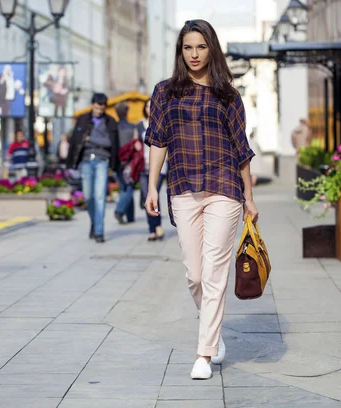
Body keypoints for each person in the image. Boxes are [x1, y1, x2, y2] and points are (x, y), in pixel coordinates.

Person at [144, 19, 258, 380]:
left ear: (212, 49)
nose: (194, 54)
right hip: (182, 188)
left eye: (201, 47)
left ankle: (204, 354)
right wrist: (150, 187)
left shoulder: (228, 95)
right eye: (187, 47)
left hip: (224, 187)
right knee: (194, 274)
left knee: (213, 274)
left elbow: (242, 150)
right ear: (181, 51)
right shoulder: (165, 92)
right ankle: (215, 330)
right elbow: (158, 141)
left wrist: (249, 198)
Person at [66, 93, 119, 242]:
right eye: (96, 108)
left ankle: (99, 232)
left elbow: (109, 143)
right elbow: (76, 140)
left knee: (100, 196)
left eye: (101, 108)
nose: (99, 111)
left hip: (102, 161)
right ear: (92, 105)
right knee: (89, 196)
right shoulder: (83, 119)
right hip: (86, 161)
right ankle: (94, 222)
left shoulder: (110, 122)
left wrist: (90, 139)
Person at [137, 98, 168, 241]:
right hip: (143, 166)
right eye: (147, 106)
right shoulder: (139, 125)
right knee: (146, 196)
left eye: (152, 106)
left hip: (159, 166)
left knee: (153, 192)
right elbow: (135, 143)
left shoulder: (162, 123)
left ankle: (158, 226)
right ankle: (152, 229)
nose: (149, 109)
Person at [114, 102, 138, 224]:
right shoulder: (133, 127)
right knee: (129, 187)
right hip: (129, 163)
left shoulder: (114, 128)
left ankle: (130, 216)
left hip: (118, 162)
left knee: (125, 187)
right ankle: (119, 211)